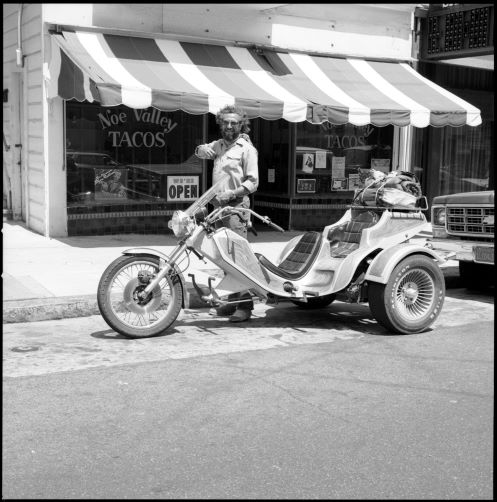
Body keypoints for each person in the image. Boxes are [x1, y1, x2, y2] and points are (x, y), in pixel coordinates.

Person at [195, 104, 259, 322]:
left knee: (238, 259)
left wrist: (231, 193)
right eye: (226, 122)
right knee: (223, 258)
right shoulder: (219, 145)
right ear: (220, 124)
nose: (229, 126)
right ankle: (229, 303)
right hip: (217, 209)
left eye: (234, 122)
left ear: (241, 125)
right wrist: (201, 150)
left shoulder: (246, 149)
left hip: (236, 208)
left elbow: (252, 182)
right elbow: (202, 150)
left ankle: (245, 307)